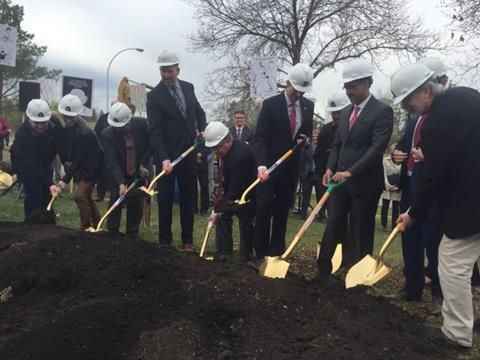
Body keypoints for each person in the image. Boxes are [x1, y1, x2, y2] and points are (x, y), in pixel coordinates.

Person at [393, 62, 480, 349]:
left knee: (452, 260)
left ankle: (456, 335)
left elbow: (434, 174)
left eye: (408, 100)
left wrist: (413, 214)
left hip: (471, 200)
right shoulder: (468, 95)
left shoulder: (437, 121)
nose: (407, 107)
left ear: (426, 92)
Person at [316, 58, 393, 276]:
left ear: (367, 83)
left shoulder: (382, 112)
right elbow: (338, 145)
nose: (348, 91)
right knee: (334, 222)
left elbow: (376, 148)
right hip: (339, 182)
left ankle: (356, 272)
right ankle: (323, 269)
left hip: (365, 183)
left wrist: (352, 171)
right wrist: (330, 168)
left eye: (353, 86)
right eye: (346, 87)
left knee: (360, 230)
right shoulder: (347, 112)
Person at [385, 58, 447, 314]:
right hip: (411, 185)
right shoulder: (415, 118)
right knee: (408, 236)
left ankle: (438, 295)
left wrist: (428, 157)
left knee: (432, 240)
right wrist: (397, 151)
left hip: (433, 190)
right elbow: (405, 142)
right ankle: (411, 288)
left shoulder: (442, 116)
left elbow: (446, 155)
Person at [253, 63, 314, 262]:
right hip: (269, 168)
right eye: (296, 91)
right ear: (287, 83)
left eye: (302, 92)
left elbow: (305, 135)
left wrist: (304, 141)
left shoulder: (308, 106)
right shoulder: (271, 105)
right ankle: (260, 251)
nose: (299, 95)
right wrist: (261, 165)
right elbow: (260, 138)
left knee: (282, 210)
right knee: (263, 208)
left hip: (290, 168)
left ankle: (277, 251)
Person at [147, 49, 206, 251]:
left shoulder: (188, 88)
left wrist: (201, 128)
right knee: (164, 200)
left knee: (188, 198)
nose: (165, 74)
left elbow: (199, 111)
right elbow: (155, 130)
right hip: (167, 158)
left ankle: (187, 241)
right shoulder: (154, 96)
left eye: (169, 70)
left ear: (178, 70)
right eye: (162, 70)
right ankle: (165, 241)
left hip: (188, 153)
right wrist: (163, 159)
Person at [204, 122, 256, 262]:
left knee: (244, 219)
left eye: (217, 148)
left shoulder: (239, 155)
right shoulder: (228, 151)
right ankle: (224, 252)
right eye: (213, 149)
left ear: (226, 141)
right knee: (221, 212)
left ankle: (246, 255)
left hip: (249, 195)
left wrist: (218, 210)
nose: (216, 152)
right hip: (237, 189)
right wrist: (217, 206)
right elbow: (226, 181)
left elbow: (235, 190)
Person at [101, 102, 150, 236]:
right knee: (116, 198)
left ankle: (132, 232)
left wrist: (143, 164)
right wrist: (121, 182)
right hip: (119, 171)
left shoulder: (142, 125)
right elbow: (111, 160)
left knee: (135, 199)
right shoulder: (107, 134)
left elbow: (150, 145)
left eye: (121, 126)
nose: (118, 129)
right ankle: (112, 231)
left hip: (138, 169)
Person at [56, 94, 103, 230]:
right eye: (65, 116)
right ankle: (97, 224)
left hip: (92, 168)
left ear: (77, 114)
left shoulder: (84, 133)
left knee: (80, 196)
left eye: (71, 117)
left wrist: (64, 179)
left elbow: (78, 159)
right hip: (84, 166)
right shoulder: (71, 127)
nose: (68, 119)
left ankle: (85, 228)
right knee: (87, 196)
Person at [10, 99, 64, 218]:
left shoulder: (55, 124)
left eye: (43, 122)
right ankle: (31, 224)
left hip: (45, 161)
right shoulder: (22, 135)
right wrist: (50, 183)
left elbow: (61, 143)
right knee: (34, 191)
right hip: (25, 164)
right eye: (36, 122)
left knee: (47, 193)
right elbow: (32, 163)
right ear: (29, 118)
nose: (40, 126)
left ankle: (48, 222)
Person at [313, 90, 350, 222]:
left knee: (340, 214)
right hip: (325, 175)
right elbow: (318, 153)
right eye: (333, 113)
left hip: (343, 177)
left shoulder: (350, 130)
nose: (335, 116)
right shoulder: (325, 129)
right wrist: (322, 173)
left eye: (338, 113)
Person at [94, 100, 118, 202]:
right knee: (101, 174)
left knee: (116, 174)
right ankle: (100, 194)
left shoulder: (120, 118)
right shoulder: (103, 119)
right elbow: (96, 134)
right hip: (103, 151)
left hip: (117, 152)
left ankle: (118, 196)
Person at [299, 129, 321, 219]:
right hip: (308, 175)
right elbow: (302, 161)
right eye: (314, 136)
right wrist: (302, 174)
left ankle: (321, 215)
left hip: (318, 175)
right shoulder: (306, 147)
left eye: (317, 136)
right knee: (306, 196)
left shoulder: (322, 147)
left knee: (320, 196)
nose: (315, 137)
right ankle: (303, 214)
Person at [380, 144, 401, 232]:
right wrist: (388, 186)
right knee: (385, 206)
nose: (394, 150)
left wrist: (398, 186)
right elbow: (383, 174)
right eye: (393, 149)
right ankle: (383, 225)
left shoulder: (403, 161)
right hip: (387, 187)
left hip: (397, 188)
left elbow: (403, 175)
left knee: (396, 208)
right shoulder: (385, 160)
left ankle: (394, 226)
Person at [193, 143, 210, 215]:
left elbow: (209, 147)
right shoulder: (190, 133)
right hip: (192, 164)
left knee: (204, 186)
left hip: (203, 164)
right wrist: (195, 157)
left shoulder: (205, 134)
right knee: (193, 187)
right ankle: (193, 208)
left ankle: (204, 209)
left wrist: (201, 154)